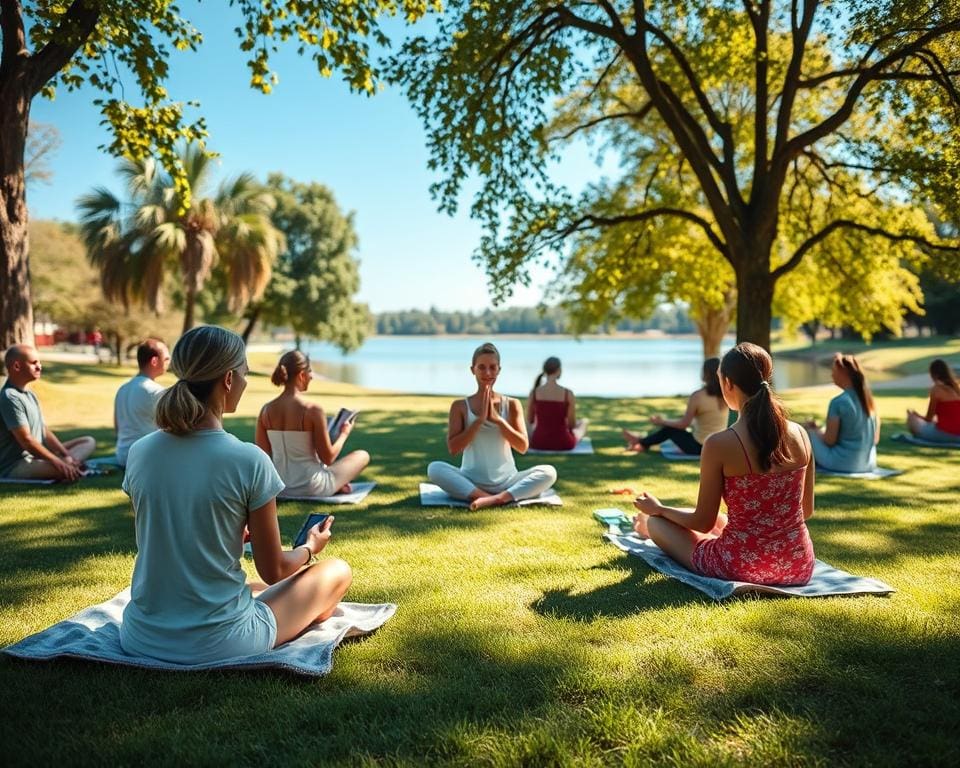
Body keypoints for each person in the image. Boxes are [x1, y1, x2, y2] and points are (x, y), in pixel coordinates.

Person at [120, 326, 352, 664]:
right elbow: (274, 569)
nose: (245, 381)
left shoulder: (140, 452)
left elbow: (164, 530)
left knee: (267, 587)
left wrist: (225, 530)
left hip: (141, 636)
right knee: (336, 571)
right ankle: (305, 603)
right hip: (221, 641)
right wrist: (308, 548)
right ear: (228, 379)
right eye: (243, 373)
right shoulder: (248, 459)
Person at [631, 342, 815, 585]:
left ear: (728, 383)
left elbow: (701, 522)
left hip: (739, 565)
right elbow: (807, 510)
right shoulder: (800, 433)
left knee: (655, 522)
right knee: (720, 519)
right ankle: (649, 523)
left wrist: (660, 510)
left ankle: (646, 525)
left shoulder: (719, 444)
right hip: (797, 565)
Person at [428, 342, 557, 510]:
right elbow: (454, 448)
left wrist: (498, 421)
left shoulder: (512, 404)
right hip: (470, 481)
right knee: (435, 469)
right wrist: (479, 421)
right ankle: (490, 497)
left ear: (499, 370)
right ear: (472, 369)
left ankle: (495, 499)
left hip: (508, 481)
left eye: (492, 367)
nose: (487, 372)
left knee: (549, 472)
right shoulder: (460, 406)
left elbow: (522, 447)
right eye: (481, 367)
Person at [255, 350, 369, 498]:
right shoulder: (312, 410)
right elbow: (328, 458)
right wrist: (344, 434)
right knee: (362, 455)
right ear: (301, 375)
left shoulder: (266, 410)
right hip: (313, 487)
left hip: (279, 488)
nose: (312, 376)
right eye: (310, 371)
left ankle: (339, 485)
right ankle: (338, 485)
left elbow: (262, 457)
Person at [0, 344, 95, 481]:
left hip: (39, 456)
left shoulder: (30, 394)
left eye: (39, 362)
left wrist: (65, 454)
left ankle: (69, 463)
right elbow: (27, 441)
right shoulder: (9, 397)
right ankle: (67, 465)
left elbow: (44, 430)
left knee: (88, 441)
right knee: (63, 470)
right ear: (16, 366)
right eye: (34, 363)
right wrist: (58, 462)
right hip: (16, 465)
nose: (39, 366)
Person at [622, 357, 728, 455]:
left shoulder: (698, 396)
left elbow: (683, 424)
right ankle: (642, 443)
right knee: (673, 427)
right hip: (718, 447)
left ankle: (640, 442)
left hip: (699, 448)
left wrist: (662, 422)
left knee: (671, 429)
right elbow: (701, 421)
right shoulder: (726, 395)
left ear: (705, 374)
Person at [805, 353, 879, 472]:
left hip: (844, 463)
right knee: (817, 431)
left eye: (834, 370)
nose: (832, 374)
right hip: (868, 464)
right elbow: (875, 439)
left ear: (844, 373)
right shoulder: (868, 401)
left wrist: (814, 431)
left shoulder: (838, 402)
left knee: (806, 432)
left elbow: (829, 441)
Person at [114, 338, 170, 467]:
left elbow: (118, 428)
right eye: (166, 359)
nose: (169, 363)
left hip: (122, 456)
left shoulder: (123, 389)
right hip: (144, 458)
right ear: (154, 361)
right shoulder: (155, 391)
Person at [526, 356, 588, 451]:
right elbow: (571, 425)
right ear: (559, 370)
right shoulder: (568, 394)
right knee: (584, 422)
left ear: (544, 370)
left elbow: (530, 420)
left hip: (539, 442)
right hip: (563, 443)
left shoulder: (534, 393)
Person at [906, 358, 960, 442]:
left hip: (946, 434)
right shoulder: (956, 389)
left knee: (912, 419)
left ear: (934, 375)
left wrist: (915, 415)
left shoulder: (936, 390)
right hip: (958, 433)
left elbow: (928, 419)